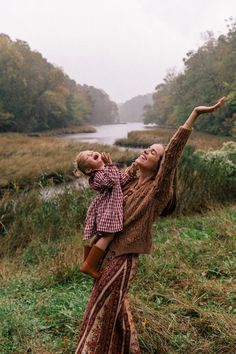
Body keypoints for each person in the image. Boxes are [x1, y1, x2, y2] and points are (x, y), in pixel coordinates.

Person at [75, 97, 225, 354]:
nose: (146, 151)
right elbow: (106, 180)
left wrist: (194, 114)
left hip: (122, 259)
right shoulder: (127, 183)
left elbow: (173, 155)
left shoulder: (156, 191)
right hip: (105, 255)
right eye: (146, 148)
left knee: (103, 306)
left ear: (159, 165)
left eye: (153, 153)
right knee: (112, 307)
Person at [74, 150, 137, 279]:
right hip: (108, 208)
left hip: (110, 207)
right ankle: (90, 265)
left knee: (101, 235)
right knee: (108, 235)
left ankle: (88, 261)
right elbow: (112, 181)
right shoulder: (97, 176)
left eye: (92, 152)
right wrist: (110, 165)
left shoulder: (105, 170)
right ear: (89, 170)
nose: (92, 153)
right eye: (89, 156)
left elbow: (120, 179)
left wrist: (131, 172)